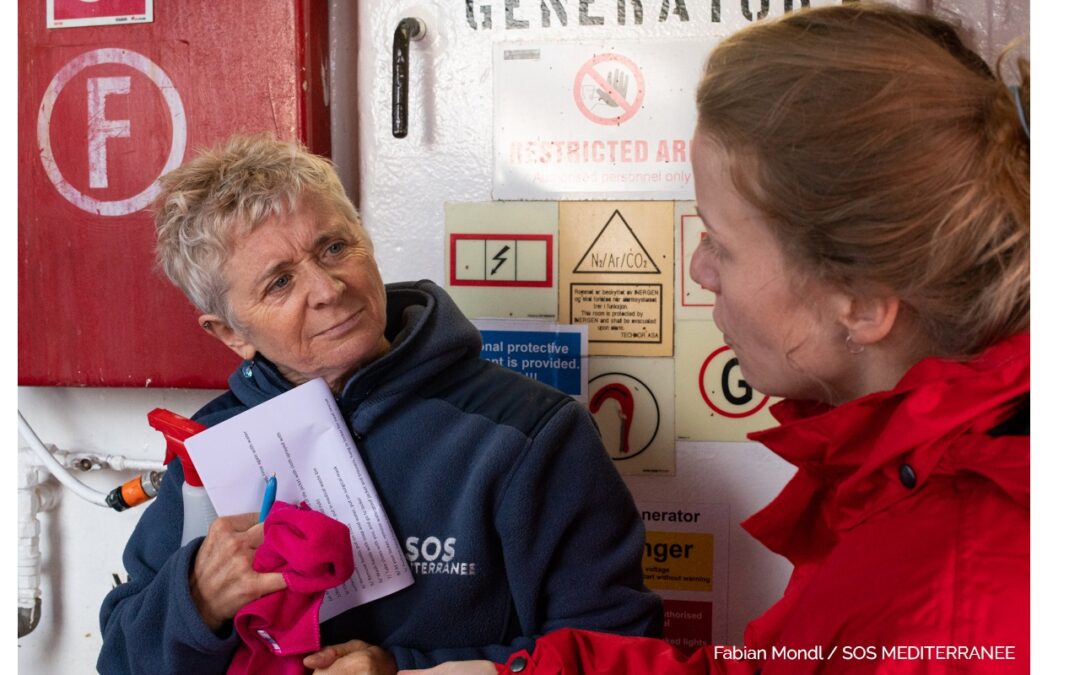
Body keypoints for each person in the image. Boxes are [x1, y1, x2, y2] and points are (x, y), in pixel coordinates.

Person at [418, 4, 1030, 674]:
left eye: (722, 241)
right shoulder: (915, 476)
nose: (698, 267)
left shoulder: (954, 596)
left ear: (861, 303)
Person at [97, 134, 663, 674]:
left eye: (335, 247)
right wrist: (197, 599)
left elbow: (619, 652)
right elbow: (121, 659)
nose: (327, 289)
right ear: (229, 333)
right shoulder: (214, 443)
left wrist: (407, 671)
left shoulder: (528, 432)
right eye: (279, 283)